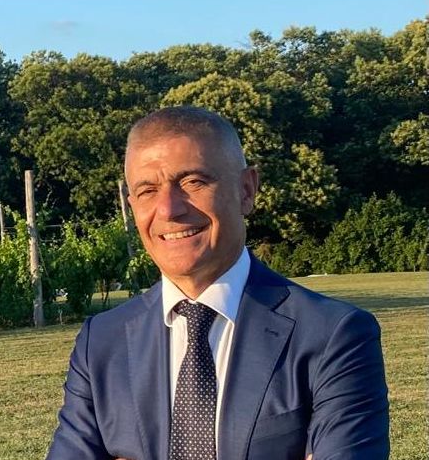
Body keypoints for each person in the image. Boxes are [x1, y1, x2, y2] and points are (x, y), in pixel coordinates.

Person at [46, 106, 389, 460]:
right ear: (132, 206)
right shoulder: (101, 343)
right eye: (147, 190)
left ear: (247, 190)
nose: (169, 209)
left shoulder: (332, 335)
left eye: (193, 182)